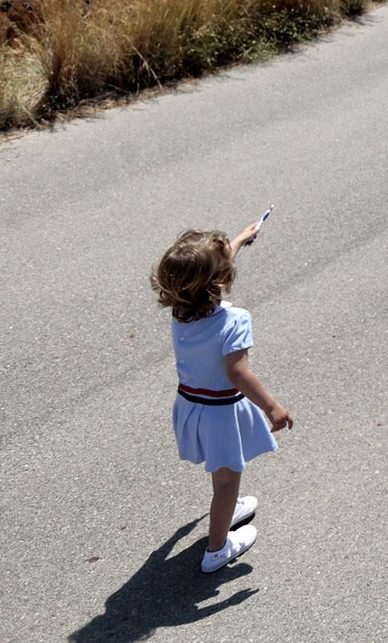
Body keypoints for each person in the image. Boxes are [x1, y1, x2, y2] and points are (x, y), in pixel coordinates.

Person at [150, 225, 294, 572]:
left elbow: (202, 272)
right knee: (228, 480)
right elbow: (238, 373)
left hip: (192, 405)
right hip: (220, 413)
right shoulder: (234, 320)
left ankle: (227, 511)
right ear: (220, 279)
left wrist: (241, 240)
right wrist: (271, 406)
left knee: (223, 469)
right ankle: (217, 549)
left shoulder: (181, 311)